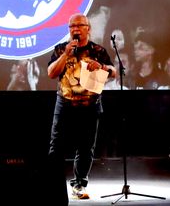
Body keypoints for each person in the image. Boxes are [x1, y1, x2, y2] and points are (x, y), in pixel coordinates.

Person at [47, 13, 116, 200]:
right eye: (71, 27)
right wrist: (65, 55)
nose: (75, 29)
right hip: (65, 103)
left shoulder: (97, 50)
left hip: (90, 104)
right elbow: (51, 72)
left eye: (79, 25)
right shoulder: (61, 49)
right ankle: (53, 184)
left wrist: (101, 66)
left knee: (86, 147)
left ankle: (79, 184)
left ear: (88, 28)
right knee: (56, 147)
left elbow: (113, 71)